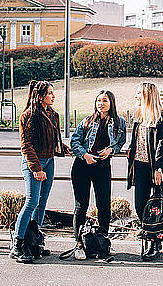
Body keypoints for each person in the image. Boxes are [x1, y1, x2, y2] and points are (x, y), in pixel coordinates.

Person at [10, 80, 69, 262]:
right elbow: (26, 145)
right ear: (40, 95)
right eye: (50, 93)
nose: (53, 96)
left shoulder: (53, 114)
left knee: (42, 203)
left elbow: (51, 139)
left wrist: (61, 148)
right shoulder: (28, 115)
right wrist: (36, 169)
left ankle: (34, 242)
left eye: (52, 93)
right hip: (33, 163)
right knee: (31, 202)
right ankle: (18, 245)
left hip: (49, 161)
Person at [69, 90, 127, 260]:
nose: (101, 103)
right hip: (82, 166)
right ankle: (79, 244)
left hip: (102, 167)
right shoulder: (87, 121)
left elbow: (120, 141)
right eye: (98, 100)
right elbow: (74, 141)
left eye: (105, 101)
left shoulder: (119, 122)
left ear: (112, 103)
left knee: (104, 205)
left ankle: (103, 243)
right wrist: (84, 155)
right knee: (81, 205)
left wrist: (112, 150)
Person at [125, 82, 163, 261]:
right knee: (140, 206)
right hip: (139, 166)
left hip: (156, 167)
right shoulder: (138, 117)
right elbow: (135, 141)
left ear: (147, 95)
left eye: (139, 93)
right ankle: (150, 236)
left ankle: (154, 243)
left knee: (157, 207)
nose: (136, 96)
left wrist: (158, 167)